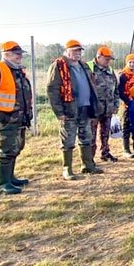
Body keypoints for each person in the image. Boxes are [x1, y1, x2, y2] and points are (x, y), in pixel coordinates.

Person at [47, 40, 102, 181]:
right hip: (69, 109)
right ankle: (67, 169)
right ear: (67, 51)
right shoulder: (58, 65)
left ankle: (88, 165)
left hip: (86, 107)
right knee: (68, 140)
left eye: (80, 50)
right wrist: (59, 112)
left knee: (86, 138)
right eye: (75, 50)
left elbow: (92, 84)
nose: (78, 53)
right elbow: (52, 90)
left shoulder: (83, 65)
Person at [0, 41, 33, 195]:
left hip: (19, 117)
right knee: (5, 150)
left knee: (16, 147)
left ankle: (10, 178)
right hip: (4, 119)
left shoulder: (18, 70)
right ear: (6, 54)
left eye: (20, 53)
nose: (19, 56)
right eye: (16, 53)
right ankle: (2, 183)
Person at [87, 47, 120, 162]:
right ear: (98, 57)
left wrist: (116, 105)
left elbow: (116, 89)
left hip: (108, 108)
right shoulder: (88, 68)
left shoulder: (110, 70)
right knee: (91, 135)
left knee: (105, 133)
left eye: (109, 59)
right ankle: (89, 159)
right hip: (93, 109)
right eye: (106, 59)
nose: (108, 61)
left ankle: (105, 153)